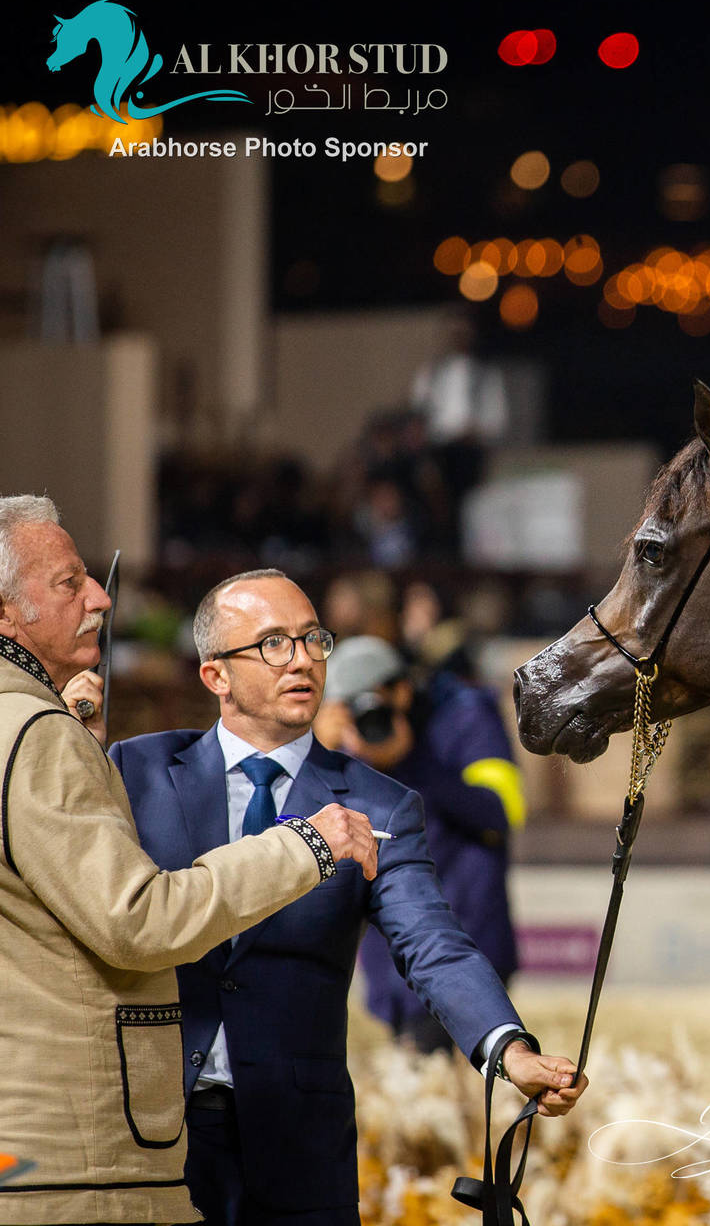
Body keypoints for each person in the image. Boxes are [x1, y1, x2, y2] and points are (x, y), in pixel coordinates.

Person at [66, 568, 585, 1226]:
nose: (302, 660)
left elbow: (433, 944)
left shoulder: (379, 803)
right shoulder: (133, 770)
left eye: (313, 639)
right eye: (273, 643)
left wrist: (509, 1050)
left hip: (301, 1148)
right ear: (215, 675)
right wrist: (69, 749)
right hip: (151, 1134)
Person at [0, 495, 377, 1226]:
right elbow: (137, 920)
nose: (100, 598)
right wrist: (303, 844)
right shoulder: (38, 735)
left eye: (311, 639)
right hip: (77, 1169)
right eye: (69, 582)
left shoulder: (38, 729)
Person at [313, 634, 523, 1051]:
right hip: (392, 957)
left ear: (401, 690)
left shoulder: (465, 715)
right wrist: (318, 754)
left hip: (467, 945)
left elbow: (501, 812)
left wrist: (409, 760)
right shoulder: (341, 747)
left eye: (371, 701)